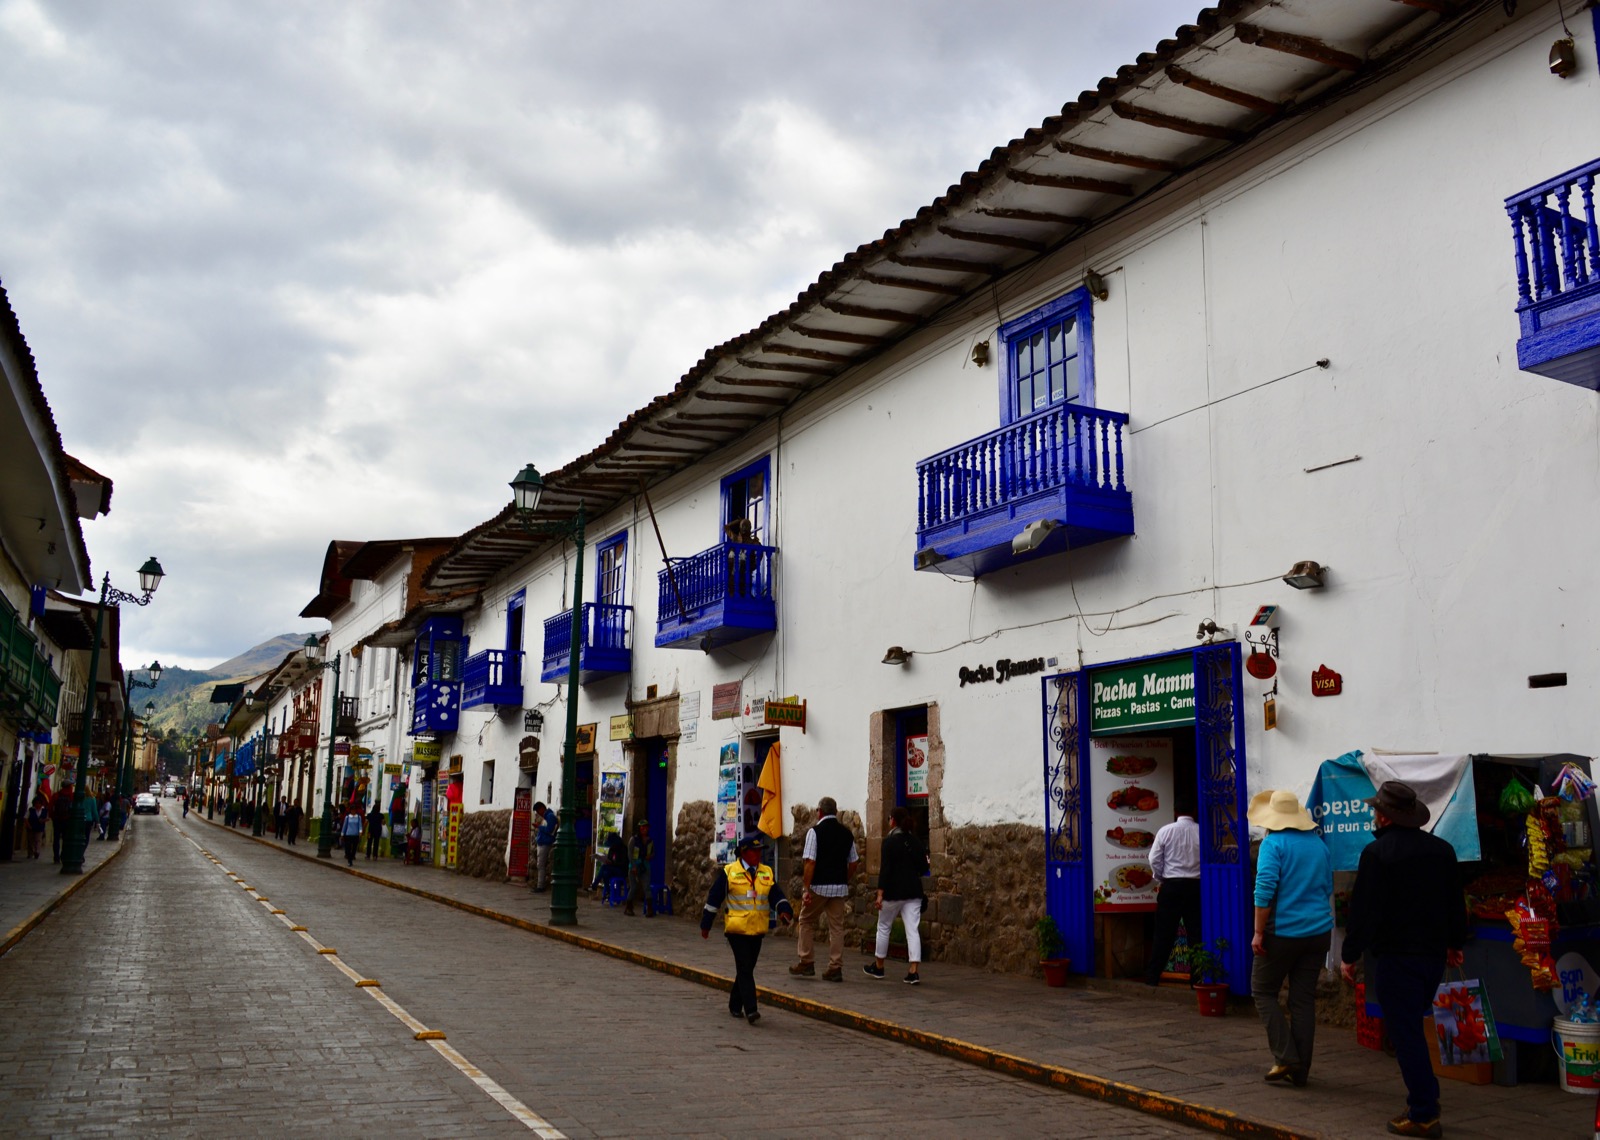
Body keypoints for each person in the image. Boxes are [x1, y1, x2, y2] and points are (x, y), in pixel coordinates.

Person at [1340, 781, 1467, 1140]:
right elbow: (1454, 903)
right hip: (1430, 959)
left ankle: (1424, 1112)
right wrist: (1455, 943)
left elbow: (1364, 911)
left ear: (1384, 816)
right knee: (1411, 1028)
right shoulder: (1442, 850)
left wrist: (1350, 955)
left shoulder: (1378, 854)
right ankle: (1426, 1100)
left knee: (1406, 1034)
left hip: (1397, 959)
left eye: (1376, 812)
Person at [1248, 789, 1333, 1088]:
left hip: (1284, 932)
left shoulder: (1273, 844)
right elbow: (1326, 886)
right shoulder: (1319, 845)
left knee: (1262, 990)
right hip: (1319, 932)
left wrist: (1259, 932)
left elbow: (1264, 891)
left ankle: (1285, 1056)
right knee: (1302, 999)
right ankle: (1301, 1070)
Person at [701, 834, 794, 1023]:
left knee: (747, 968)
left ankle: (735, 1004)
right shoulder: (729, 872)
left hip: (758, 929)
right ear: (743, 853)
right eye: (754, 851)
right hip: (737, 929)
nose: (758, 855)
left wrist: (784, 910)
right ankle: (751, 1009)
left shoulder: (766, 872)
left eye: (760, 851)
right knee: (744, 967)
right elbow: (714, 898)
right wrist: (706, 924)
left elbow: (776, 895)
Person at [790, 796, 858, 982]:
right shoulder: (846, 833)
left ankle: (806, 960)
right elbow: (853, 862)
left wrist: (806, 888)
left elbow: (810, 861)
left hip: (819, 886)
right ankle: (835, 967)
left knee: (806, 920)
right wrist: (844, 878)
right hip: (838, 886)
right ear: (835, 812)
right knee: (837, 927)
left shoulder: (815, 832)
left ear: (819, 812)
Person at [864, 806, 929, 983]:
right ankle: (913, 970)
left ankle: (879, 966)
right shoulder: (916, 842)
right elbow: (924, 868)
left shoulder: (889, 843)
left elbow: (885, 870)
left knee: (884, 927)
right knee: (912, 930)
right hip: (913, 891)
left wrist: (879, 894)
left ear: (892, 820)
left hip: (892, 892)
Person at [1145, 795, 1202, 986]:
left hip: (1172, 886)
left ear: (1175, 812)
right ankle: (1198, 978)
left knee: (1163, 934)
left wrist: (1161, 877)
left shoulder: (1165, 831)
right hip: (1195, 887)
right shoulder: (1202, 832)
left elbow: (1154, 859)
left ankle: (1153, 977)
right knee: (1196, 934)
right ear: (1194, 812)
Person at [624, 819, 654, 917]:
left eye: (646, 827)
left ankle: (650, 909)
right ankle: (628, 907)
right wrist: (633, 866)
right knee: (633, 887)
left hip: (645, 866)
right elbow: (629, 853)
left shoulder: (650, 841)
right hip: (634, 866)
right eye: (642, 827)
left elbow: (653, 852)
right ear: (639, 829)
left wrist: (651, 856)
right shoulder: (633, 840)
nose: (644, 829)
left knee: (647, 887)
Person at [590, 831, 627, 896]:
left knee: (604, 867)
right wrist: (606, 860)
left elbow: (623, 863)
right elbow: (609, 859)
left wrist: (612, 863)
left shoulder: (623, 849)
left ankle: (595, 885)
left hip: (621, 870)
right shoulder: (612, 849)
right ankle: (609, 892)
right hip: (612, 869)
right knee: (605, 873)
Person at [532, 801, 556, 891]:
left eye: (538, 811)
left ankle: (540, 885)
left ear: (542, 808)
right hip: (542, 842)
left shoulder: (550, 817)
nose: (539, 814)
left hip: (545, 843)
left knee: (541, 865)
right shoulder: (546, 817)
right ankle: (540, 884)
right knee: (540, 865)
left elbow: (549, 830)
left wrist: (539, 827)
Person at [50, 784, 73, 863]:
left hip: (57, 819)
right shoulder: (71, 796)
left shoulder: (56, 795)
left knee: (56, 839)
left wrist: (52, 816)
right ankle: (63, 855)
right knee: (65, 839)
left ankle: (56, 857)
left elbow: (50, 807)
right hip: (67, 820)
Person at [25, 794, 48, 859]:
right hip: (31, 827)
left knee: (38, 840)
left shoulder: (44, 810)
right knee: (30, 841)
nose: (38, 805)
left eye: (39, 803)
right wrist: (28, 825)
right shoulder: (31, 810)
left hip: (39, 828)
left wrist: (43, 820)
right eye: (36, 803)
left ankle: (37, 852)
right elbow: (26, 818)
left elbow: (48, 818)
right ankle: (30, 853)